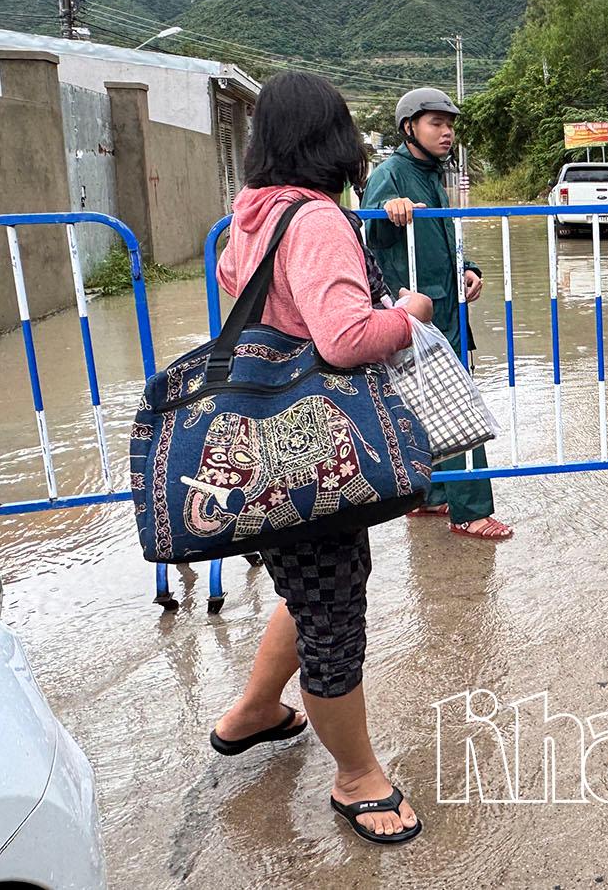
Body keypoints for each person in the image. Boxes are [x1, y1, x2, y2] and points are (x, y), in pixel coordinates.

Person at [210, 71, 425, 844]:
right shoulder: (316, 219)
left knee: (309, 586)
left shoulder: (252, 213)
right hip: (314, 452)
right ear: (332, 139)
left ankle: (253, 712)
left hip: (267, 449)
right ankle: (357, 778)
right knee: (332, 613)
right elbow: (343, 336)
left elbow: (254, 301)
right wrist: (409, 313)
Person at [362, 88, 512, 541]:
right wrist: (389, 210)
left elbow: (443, 239)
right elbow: (372, 236)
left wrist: (469, 269)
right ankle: (472, 511)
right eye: (436, 123)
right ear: (409, 128)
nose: (447, 132)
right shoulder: (391, 174)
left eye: (450, 125)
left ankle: (431, 496)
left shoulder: (431, 174)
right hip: (417, 312)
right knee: (456, 404)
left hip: (446, 306)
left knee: (431, 401)